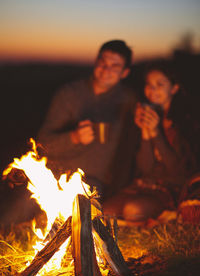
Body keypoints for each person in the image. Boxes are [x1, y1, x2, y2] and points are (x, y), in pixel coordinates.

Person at [37, 40, 138, 201]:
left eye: (115, 66)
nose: (106, 70)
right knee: (14, 212)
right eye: (103, 63)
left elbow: (133, 149)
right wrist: (74, 138)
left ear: (125, 73)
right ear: (95, 62)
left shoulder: (129, 100)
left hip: (94, 184)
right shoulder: (69, 94)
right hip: (53, 176)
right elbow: (42, 145)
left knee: (81, 210)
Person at [103, 61, 196, 222]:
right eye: (149, 84)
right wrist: (145, 132)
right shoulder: (149, 114)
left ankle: (168, 214)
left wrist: (156, 133)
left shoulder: (185, 122)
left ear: (174, 88)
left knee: (133, 211)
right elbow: (146, 167)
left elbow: (177, 170)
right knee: (106, 211)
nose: (152, 90)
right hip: (144, 185)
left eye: (159, 84)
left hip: (170, 189)